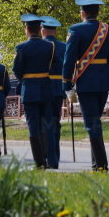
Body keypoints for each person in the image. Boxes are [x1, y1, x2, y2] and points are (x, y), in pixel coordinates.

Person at [62, 0, 109, 172]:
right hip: (103, 81)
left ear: (82, 13)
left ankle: (101, 165)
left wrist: (66, 84)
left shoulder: (75, 30)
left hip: (86, 82)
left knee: (92, 123)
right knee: (96, 121)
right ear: (97, 12)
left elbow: (69, 59)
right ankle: (96, 164)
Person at [13, 14, 56, 169]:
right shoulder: (49, 46)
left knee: (32, 125)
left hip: (29, 89)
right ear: (39, 29)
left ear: (27, 29)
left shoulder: (22, 47)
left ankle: (39, 162)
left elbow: (16, 69)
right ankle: (46, 156)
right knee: (45, 124)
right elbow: (49, 65)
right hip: (45, 87)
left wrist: (25, 79)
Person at [40, 16, 66, 169]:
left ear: (42, 31)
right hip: (59, 88)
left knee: (46, 123)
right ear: (55, 31)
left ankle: (50, 158)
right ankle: (55, 155)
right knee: (55, 122)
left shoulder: (41, 45)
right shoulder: (63, 46)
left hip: (45, 87)